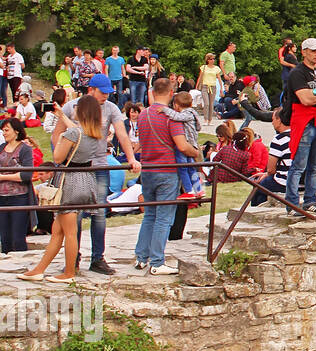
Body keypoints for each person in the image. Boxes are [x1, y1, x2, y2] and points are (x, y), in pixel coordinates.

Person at [52, 72, 140, 275]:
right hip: (77, 167)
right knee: (75, 214)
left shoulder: (111, 108)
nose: (106, 96)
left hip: (100, 166)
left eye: (109, 92)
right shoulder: (71, 106)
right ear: (91, 89)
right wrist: (61, 157)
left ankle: (97, 258)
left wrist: (131, 158)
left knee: (99, 213)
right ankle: (72, 258)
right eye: (102, 92)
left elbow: (121, 133)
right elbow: (58, 133)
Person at [20, 97, 110, 284]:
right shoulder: (94, 133)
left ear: (83, 112)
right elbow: (76, 130)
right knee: (57, 231)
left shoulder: (72, 134)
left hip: (69, 182)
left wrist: (60, 136)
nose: (74, 110)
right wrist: (61, 115)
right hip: (84, 180)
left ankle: (69, 272)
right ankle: (39, 269)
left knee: (69, 232)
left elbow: (57, 157)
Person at [132, 77, 198, 274]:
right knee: (164, 218)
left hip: (148, 170)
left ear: (152, 92)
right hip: (167, 170)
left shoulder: (143, 115)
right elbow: (181, 145)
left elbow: (141, 142)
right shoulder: (172, 117)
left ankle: (141, 257)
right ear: (171, 93)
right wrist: (196, 152)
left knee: (150, 215)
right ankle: (157, 261)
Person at [283, 36, 316, 216]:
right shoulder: (297, 73)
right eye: (313, 51)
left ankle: (310, 201)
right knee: (298, 165)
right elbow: (304, 99)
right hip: (304, 121)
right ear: (304, 52)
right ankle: (292, 203)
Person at [0, 118, 35, 253]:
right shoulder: (1, 148)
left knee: (18, 236)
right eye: (3, 130)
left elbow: (27, 175)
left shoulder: (25, 149)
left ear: (16, 131)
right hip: (2, 197)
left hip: (19, 197)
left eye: (7, 130)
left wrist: (3, 177)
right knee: (5, 237)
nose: (4, 133)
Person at [163, 90, 204, 197]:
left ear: (176, 105)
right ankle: (198, 190)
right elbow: (198, 127)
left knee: (183, 168)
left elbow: (177, 117)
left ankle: (189, 190)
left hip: (186, 143)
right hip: (192, 143)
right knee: (191, 167)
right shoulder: (193, 113)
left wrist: (165, 110)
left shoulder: (186, 114)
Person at [250, 109, 291, 207]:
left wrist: (267, 174)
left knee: (258, 188)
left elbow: (271, 169)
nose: (272, 123)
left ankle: (256, 210)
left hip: (284, 181)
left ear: (279, 120)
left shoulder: (279, 139)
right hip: (301, 180)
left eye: (273, 120)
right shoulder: (300, 135)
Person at [197, 53, 224, 121]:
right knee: (206, 103)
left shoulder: (216, 68)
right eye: (211, 59)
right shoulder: (204, 67)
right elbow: (200, 77)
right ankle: (205, 119)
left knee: (211, 104)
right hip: (205, 86)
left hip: (213, 86)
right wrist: (197, 85)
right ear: (207, 60)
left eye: (213, 59)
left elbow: (219, 78)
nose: (212, 60)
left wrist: (221, 87)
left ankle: (210, 119)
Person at [278, 37, 297, 104]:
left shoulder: (291, 54)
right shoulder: (282, 50)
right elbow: (282, 62)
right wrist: (292, 65)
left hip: (290, 72)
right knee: (286, 89)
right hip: (287, 73)